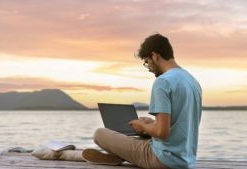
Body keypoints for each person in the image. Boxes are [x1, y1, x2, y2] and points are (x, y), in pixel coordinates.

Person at [82, 33, 202, 169]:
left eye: (147, 62)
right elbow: (181, 124)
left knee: (100, 134)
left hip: (163, 159)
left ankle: (118, 155)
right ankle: (117, 156)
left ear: (155, 55)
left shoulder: (163, 82)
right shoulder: (193, 81)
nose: (149, 68)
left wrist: (142, 126)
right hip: (186, 160)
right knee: (139, 138)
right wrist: (153, 123)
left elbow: (162, 133)